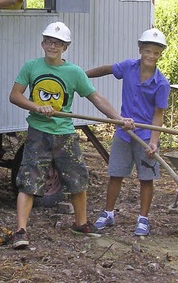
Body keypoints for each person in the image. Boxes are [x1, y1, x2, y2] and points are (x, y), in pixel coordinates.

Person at [8, 21, 135, 249]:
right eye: (48, 41)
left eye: (57, 43)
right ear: (42, 43)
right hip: (38, 133)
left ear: (65, 47)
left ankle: (81, 223)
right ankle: (21, 230)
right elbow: (15, 96)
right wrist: (36, 107)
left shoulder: (74, 72)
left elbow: (96, 98)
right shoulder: (31, 67)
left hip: (65, 134)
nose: (52, 46)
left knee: (78, 179)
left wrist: (118, 118)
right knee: (28, 181)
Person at [88, 28, 170, 236]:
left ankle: (143, 219)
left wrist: (154, 141)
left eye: (156, 53)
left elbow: (158, 115)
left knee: (146, 178)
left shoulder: (161, 83)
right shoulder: (128, 67)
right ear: (140, 49)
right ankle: (108, 214)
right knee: (115, 174)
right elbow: (107, 69)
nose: (151, 56)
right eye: (148, 51)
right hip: (124, 132)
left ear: (161, 55)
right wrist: (82, 75)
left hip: (145, 135)